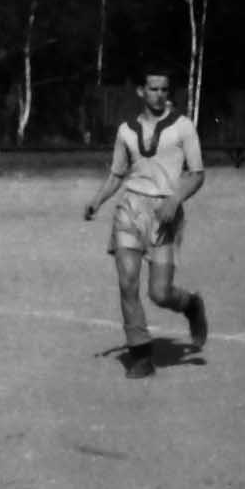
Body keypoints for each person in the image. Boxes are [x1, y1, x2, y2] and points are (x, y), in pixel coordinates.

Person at [83, 69, 209, 378]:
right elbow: (117, 173)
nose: (159, 94)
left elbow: (196, 174)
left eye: (164, 89)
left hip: (165, 212)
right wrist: (97, 201)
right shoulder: (126, 130)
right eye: (153, 88)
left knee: (159, 293)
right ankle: (140, 353)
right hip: (130, 209)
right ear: (141, 91)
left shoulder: (182, 127)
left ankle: (190, 304)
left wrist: (175, 200)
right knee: (127, 281)